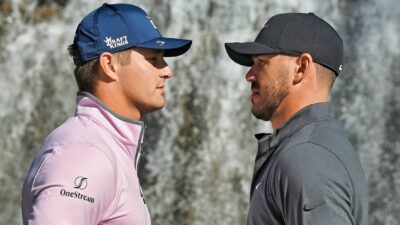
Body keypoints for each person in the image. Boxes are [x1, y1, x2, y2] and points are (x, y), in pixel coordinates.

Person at [21, 3, 191, 225]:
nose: (167, 70)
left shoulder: (102, 145)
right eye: (153, 59)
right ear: (109, 65)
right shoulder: (85, 152)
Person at [225, 13, 368, 225]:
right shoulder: (312, 149)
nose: (249, 75)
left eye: (261, 62)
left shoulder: (307, 159)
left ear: (301, 68)